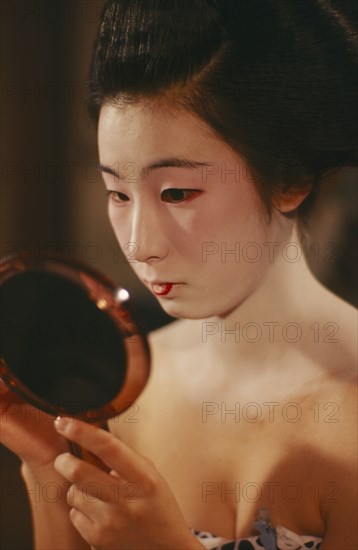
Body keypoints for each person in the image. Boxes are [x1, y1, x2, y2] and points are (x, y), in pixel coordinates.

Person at [1, 1, 357, 548]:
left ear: (291, 178)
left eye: (177, 193)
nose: (141, 246)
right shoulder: (120, 393)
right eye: (117, 193)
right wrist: (50, 466)